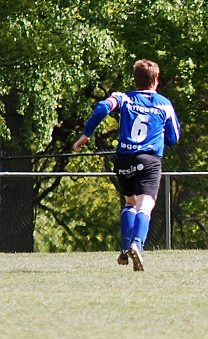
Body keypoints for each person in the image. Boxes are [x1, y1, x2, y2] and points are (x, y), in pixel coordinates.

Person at [73, 59, 181, 272]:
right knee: (145, 206)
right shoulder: (164, 103)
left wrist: (87, 133)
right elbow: (174, 137)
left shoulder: (123, 98)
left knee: (129, 203)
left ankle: (124, 248)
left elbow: (103, 106)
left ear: (135, 80)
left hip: (124, 159)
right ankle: (137, 245)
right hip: (148, 159)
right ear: (155, 81)